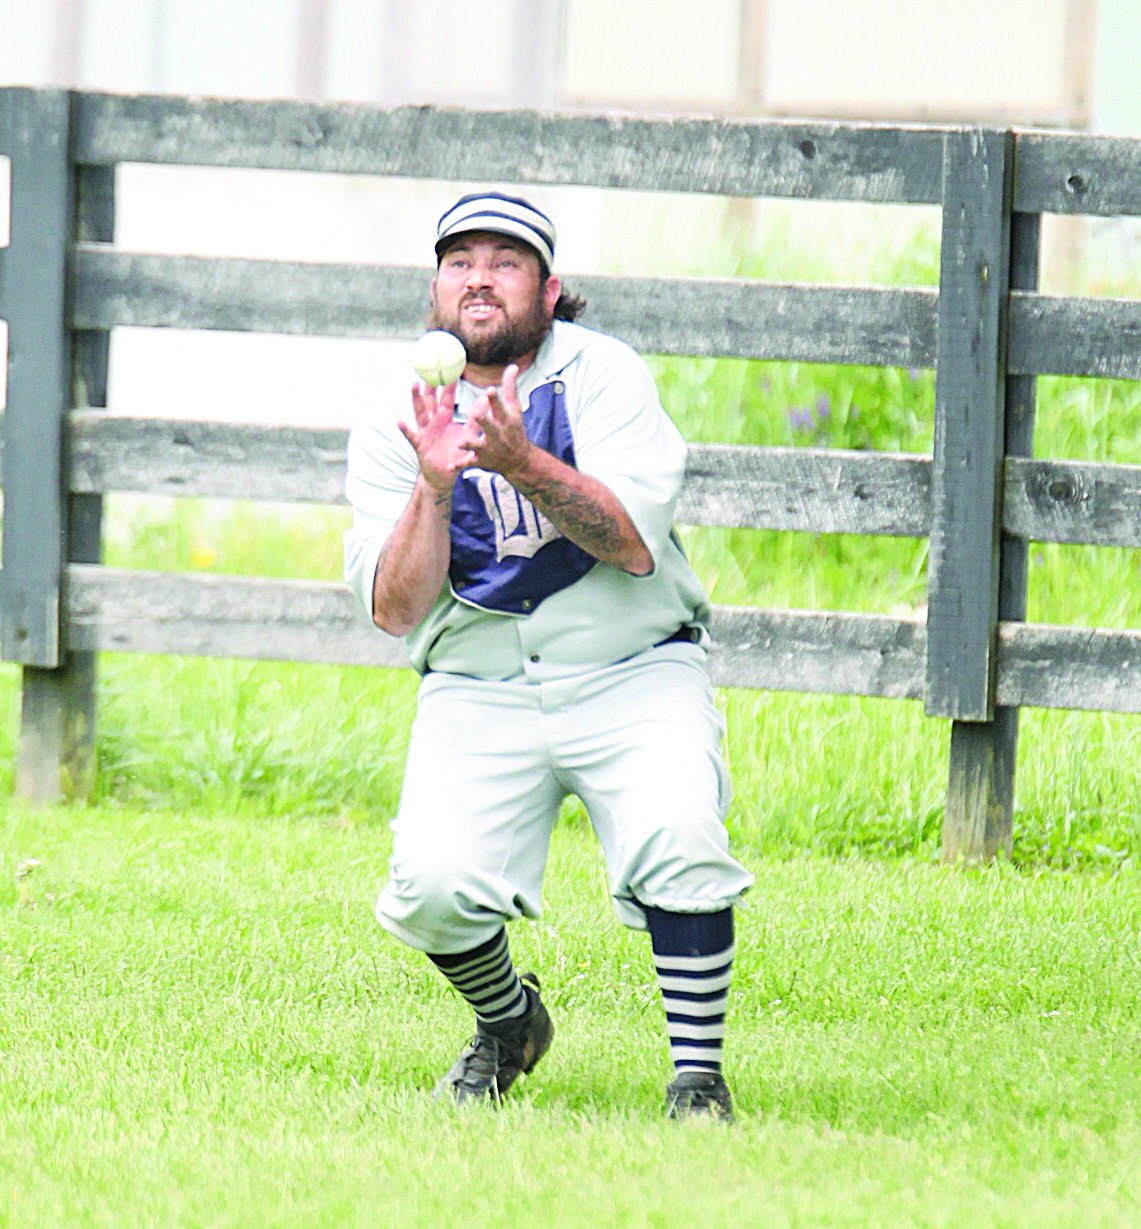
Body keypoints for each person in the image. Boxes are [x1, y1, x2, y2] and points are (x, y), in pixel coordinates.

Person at [343, 190, 753, 1119]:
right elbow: (394, 609)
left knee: (680, 836)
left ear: (549, 288)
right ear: (436, 288)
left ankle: (697, 1080)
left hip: (632, 663)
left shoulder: (605, 374)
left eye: (506, 261)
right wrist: (434, 487)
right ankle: (509, 1022)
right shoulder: (393, 416)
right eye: (459, 261)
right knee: (432, 886)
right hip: (479, 681)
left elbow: (631, 541)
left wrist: (525, 463)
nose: (479, 277)